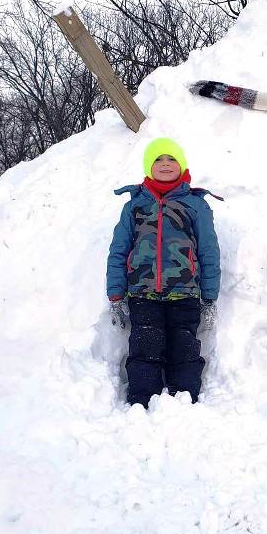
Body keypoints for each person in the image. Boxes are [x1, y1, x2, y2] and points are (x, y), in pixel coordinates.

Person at [106, 138, 221, 407]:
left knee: (184, 347)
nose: (165, 164)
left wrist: (209, 296)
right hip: (142, 293)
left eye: (172, 159)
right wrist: (116, 294)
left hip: (185, 293)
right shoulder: (134, 206)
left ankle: (184, 400)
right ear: (149, 166)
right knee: (145, 344)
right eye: (158, 159)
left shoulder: (195, 205)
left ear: (181, 165)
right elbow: (119, 250)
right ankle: (141, 401)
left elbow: (208, 250)